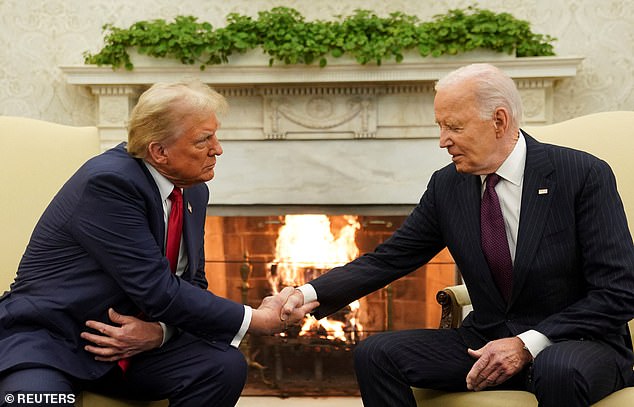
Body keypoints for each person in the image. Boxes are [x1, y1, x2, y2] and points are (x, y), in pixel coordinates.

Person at [282, 63, 634, 406]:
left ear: (499, 121)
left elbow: (619, 290)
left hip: (574, 342)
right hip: (485, 340)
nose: (442, 141)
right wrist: (307, 292)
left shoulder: (581, 174)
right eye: (440, 126)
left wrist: (527, 343)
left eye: (454, 127)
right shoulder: (448, 185)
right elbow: (391, 258)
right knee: (375, 354)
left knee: (557, 369)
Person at [0, 80, 317, 406]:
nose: (218, 149)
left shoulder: (193, 189)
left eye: (214, 135)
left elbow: (192, 282)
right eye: (203, 140)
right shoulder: (109, 183)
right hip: (53, 340)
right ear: (159, 151)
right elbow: (156, 288)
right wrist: (255, 319)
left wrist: (160, 333)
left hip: (131, 348)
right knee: (33, 400)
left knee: (223, 366)